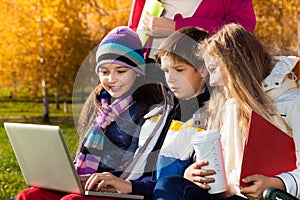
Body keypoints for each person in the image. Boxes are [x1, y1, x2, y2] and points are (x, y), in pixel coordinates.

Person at [153, 23, 300, 200]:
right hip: (227, 194)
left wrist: (278, 183)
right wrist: (193, 173)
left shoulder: (292, 103)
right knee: (169, 185)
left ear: (236, 65)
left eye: (213, 70)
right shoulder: (225, 105)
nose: (212, 81)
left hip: (267, 195)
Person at [15, 26, 163, 200]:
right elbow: (83, 153)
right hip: (87, 183)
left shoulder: (149, 109)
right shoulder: (100, 103)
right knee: (29, 195)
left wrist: (108, 180)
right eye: (104, 71)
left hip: (116, 189)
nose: (111, 79)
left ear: (138, 72)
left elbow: (139, 167)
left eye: (121, 71)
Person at [128, 0, 256, 84]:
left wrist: (175, 27)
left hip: (198, 71)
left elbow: (243, 29)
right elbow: (132, 31)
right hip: (150, 69)